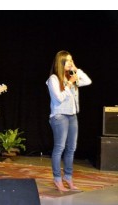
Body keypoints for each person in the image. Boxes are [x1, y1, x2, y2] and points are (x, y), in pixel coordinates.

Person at [46, 50, 92, 191]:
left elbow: (87, 81)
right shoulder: (53, 79)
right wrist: (70, 84)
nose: (71, 62)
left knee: (71, 148)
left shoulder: (72, 77)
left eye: (72, 60)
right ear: (61, 62)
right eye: (68, 60)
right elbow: (58, 98)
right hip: (59, 116)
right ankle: (57, 178)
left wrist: (76, 70)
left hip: (72, 115)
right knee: (60, 147)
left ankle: (68, 177)